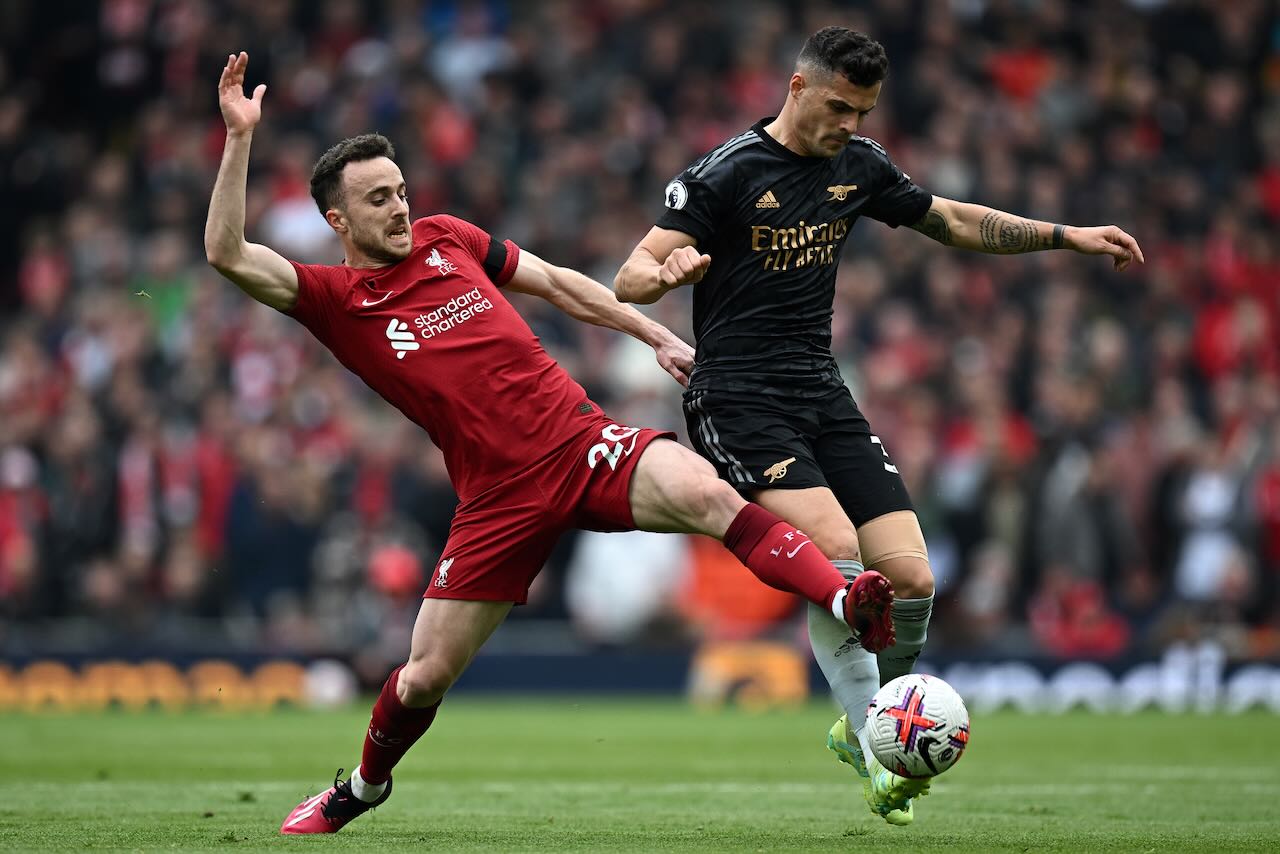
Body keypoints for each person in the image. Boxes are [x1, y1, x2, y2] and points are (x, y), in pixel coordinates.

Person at [206, 52, 896, 836]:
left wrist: (649, 332)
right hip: (497, 498)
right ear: (338, 222)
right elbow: (227, 254)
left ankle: (844, 599)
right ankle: (361, 789)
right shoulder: (334, 299)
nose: (399, 209)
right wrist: (240, 138)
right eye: (377, 200)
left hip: (580, 442)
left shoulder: (447, 238)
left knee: (708, 491)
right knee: (424, 677)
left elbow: (560, 282)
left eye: (400, 191)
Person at [615, 26, 1144, 825]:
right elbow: (630, 276)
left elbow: (951, 220)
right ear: (797, 88)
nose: (849, 124)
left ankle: (866, 715)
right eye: (838, 107)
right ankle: (874, 743)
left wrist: (1067, 237)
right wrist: (668, 273)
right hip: (737, 398)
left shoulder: (858, 166)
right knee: (838, 549)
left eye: (862, 111)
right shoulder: (726, 172)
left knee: (912, 582)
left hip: (821, 390)